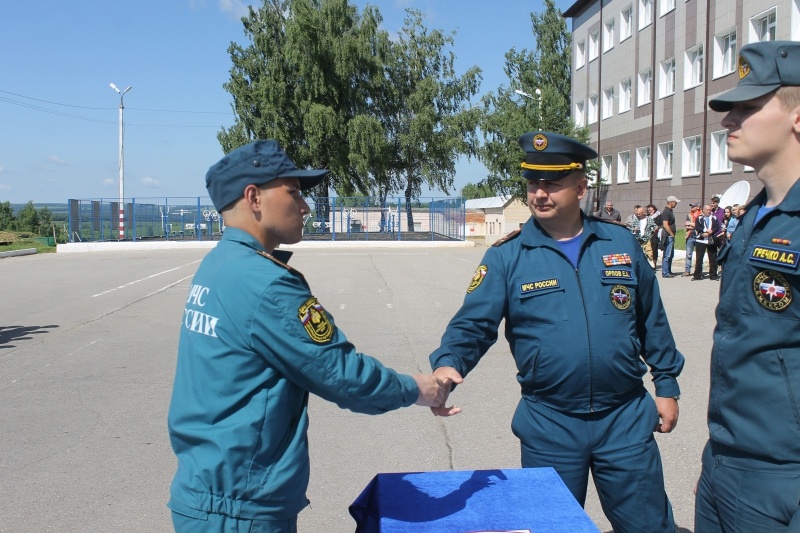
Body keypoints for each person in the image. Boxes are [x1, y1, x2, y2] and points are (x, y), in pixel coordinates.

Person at [167, 140, 457, 533]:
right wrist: (417, 388)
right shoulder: (265, 283)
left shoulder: (219, 264)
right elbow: (341, 375)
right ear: (254, 197)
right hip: (238, 509)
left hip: (208, 491)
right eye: (294, 193)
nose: (305, 207)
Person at [430, 131, 685, 533]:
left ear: (581, 187)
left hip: (625, 418)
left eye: (552, 183)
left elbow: (652, 319)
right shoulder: (507, 255)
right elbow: (473, 325)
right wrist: (447, 366)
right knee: (552, 528)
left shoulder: (618, 242)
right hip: (550, 422)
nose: (539, 193)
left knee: (647, 525)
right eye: (533, 183)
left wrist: (667, 385)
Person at [696, 40, 800, 532]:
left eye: (748, 107)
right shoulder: (754, 215)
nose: (727, 120)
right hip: (723, 457)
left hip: (781, 476)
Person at [691, 204, 720, 281]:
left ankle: (713, 275)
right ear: (703, 210)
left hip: (711, 240)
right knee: (699, 258)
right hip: (701, 240)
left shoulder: (714, 217)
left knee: (713, 258)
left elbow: (717, 227)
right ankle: (697, 275)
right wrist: (705, 230)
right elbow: (697, 227)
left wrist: (710, 232)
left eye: (710, 210)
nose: (708, 211)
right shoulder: (699, 218)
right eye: (707, 210)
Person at [660, 196, 680, 278]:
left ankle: (669, 270)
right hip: (668, 236)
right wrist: (671, 234)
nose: (676, 204)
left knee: (671, 255)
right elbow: (665, 224)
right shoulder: (666, 212)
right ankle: (665, 272)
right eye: (675, 202)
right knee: (667, 255)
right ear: (671, 202)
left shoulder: (670, 211)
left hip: (671, 236)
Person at [683, 203, 702, 276]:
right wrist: (695, 226)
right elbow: (687, 226)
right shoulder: (689, 215)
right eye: (691, 206)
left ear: (698, 207)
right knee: (688, 255)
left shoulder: (701, 215)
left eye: (693, 206)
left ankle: (698, 271)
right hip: (690, 236)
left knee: (699, 255)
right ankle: (687, 271)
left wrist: (692, 224)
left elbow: (701, 226)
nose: (691, 207)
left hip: (699, 237)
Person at [647, 204, 662, 270]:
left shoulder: (658, 216)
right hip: (647, 236)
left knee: (654, 250)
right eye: (648, 210)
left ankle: (654, 264)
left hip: (655, 236)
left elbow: (660, 224)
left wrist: (656, 227)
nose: (649, 211)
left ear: (654, 209)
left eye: (651, 210)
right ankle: (648, 264)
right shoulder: (646, 217)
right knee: (648, 250)